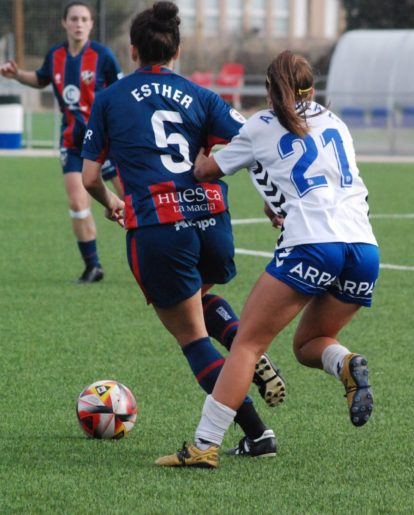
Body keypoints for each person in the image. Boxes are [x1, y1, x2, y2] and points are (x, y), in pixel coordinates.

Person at [155, 50, 380, 468]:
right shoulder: (337, 123)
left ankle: (205, 446)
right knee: (309, 344)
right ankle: (346, 363)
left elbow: (206, 171)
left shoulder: (260, 124)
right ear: (311, 87)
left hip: (313, 243)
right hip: (364, 249)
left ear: (270, 90)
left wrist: (203, 144)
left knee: (247, 346)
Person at [80, 2, 285, 457]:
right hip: (211, 220)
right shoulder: (202, 95)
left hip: (159, 224)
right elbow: (250, 142)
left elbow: (90, 176)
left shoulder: (111, 98)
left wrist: (113, 203)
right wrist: (275, 202)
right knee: (197, 297)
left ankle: (257, 432)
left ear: (133, 51)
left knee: (191, 337)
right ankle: (237, 340)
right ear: (176, 51)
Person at [0, 1, 122, 284]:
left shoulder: (103, 56)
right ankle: (93, 266)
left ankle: (153, 263)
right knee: (78, 201)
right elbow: (41, 79)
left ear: (91, 24)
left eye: (84, 19)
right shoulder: (55, 55)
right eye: (74, 18)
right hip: (72, 143)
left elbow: (121, 92)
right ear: (64, 23)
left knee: (131, 201)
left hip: (107, 143)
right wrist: (17, 75)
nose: (79, 23)